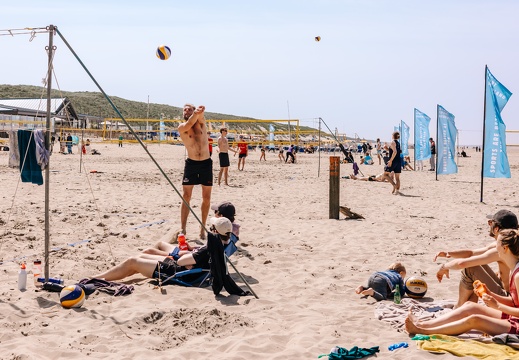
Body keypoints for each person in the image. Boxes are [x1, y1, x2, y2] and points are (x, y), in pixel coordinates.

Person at [406, 228, 519, 336]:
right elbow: (514, 302)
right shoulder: (513, 269)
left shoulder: (518, 275)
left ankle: (422, 330)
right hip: (513, 317)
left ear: (505, 248)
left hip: (516, 325)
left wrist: (498, 306)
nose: (495, 246)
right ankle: (423, 324)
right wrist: (489, 294)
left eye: (497, 243)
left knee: (474, 320)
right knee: (470, 306)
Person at [94, 217, 233, 282]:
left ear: (214, 231)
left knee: (132, 262)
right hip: (190, 270)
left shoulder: (209, 248)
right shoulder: (223, 243)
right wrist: (192, 255)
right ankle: (109, 275)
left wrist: (188, 256)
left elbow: (181, 262)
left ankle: (97, 279)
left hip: (180, 272)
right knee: (140, 257)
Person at [434, 210, 518, 308]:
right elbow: (471, 253)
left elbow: (462, 264)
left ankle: (459, 306)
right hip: (510, 293)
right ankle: (468, 304)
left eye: (490, 223)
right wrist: (448, 254)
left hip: (510, 299)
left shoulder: (501, 250)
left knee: (470, 268)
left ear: (496, 229)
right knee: (475, 266)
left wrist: (444, 267)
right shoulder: (513, 245)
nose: (489, 226)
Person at [178, 103, 212, 240]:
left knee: (207, 197)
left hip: (205, 163)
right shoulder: (182, 127)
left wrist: (200, 111)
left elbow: (201, 118)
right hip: (191, 163)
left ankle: (202, 228)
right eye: (185, 110)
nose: (187, 111)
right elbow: (188, 124)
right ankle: (183, 228)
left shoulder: (201, 123)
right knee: (186, 196)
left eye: (189, 109)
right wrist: (195, 113)